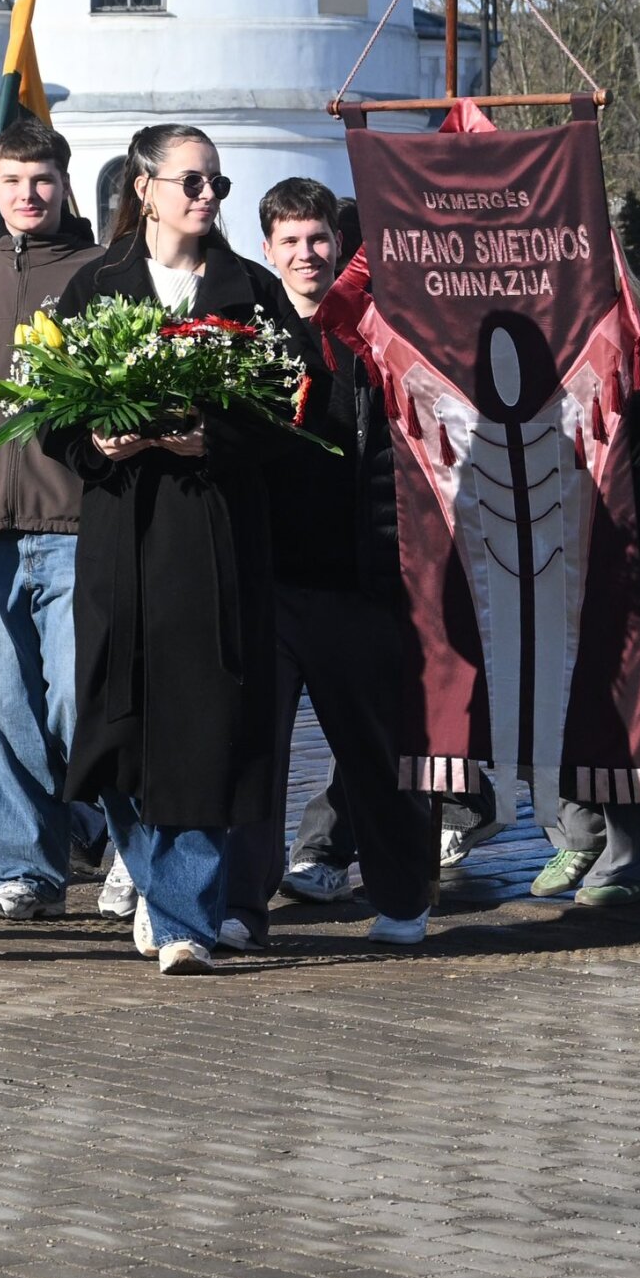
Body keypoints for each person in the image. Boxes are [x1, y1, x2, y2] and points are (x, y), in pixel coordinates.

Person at [49, 123, 301, 975]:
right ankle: (160, 891)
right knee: (115, 733)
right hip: (121, 536)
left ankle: (186, 919)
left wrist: (214, 440)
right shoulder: (96, 285)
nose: (206, 196)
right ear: (144, 187)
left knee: (202, 727)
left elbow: (295, 410)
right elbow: (47, 413)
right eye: (192, 181)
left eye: (216, 184)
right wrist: (95, 442)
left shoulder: (248, 290)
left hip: (210, 539)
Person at [224, 177, 433, 949]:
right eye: (290, 241)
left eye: (317, 239)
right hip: (267, 582)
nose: (306, 253)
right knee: (253, 756)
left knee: (376, 752)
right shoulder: (248, 333)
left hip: (357, 581)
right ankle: (241, 907)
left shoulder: (376, 333)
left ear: (339, 245)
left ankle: (403, 899)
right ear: (268, 249)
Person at [0, 115, 106, 922]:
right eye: (12, 180)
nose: (28, 193)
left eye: (41, 178)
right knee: (2, 705)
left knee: (80, 703)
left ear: (63, 183)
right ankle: (27, 870)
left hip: (74, 521)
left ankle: (119, 839)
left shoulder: (98, 271)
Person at [530, 278, 640, 906]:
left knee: (634, 695)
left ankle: (633, 856)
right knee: (557, 692)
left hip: (632, 551)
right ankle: (579, 833)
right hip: (553, 550)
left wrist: (607, 494)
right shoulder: (537, 351)